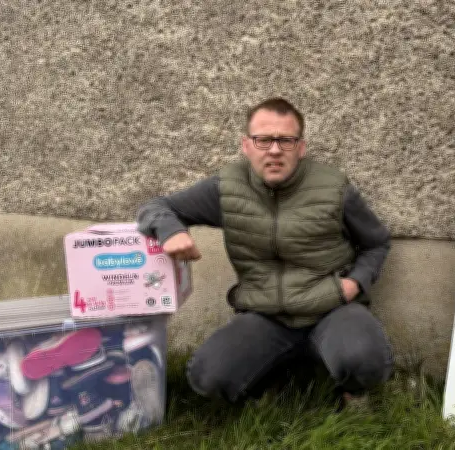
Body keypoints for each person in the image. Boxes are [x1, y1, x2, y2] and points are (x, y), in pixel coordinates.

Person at [136, 97, 393, 409]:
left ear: (301, 147)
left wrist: (354, 284)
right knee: (208, 377)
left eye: (285, 140)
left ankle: (353, 392)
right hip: (266, 316)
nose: (274, 150)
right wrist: (171, 230)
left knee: (365, 360)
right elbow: (156, 207)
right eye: (263, 140)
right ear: (246, 145)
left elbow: (376, 243)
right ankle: (271, 380)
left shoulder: (334, 188)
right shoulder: (226, 188)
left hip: (331, 309)